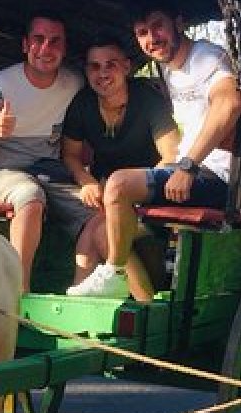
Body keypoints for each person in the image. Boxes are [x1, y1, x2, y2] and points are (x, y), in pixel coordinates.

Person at [66, 2, 241, 298]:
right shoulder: (168, 72)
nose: (152, 38)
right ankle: (130, 306)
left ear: (179, 23)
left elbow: (230, 104)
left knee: (118, 184)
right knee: (100, 229)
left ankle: (114, 274)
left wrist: (187, 166)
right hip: (189, 172)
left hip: (219, 178)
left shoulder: (208, 58)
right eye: (142, 32)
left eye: (158, 26)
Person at [0, 11, 89, 292]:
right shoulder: (1, 85)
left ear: (64, 48)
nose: (46, 48)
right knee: (30, 197)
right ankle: (19, 293)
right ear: (25, 45)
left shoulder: (75, 84)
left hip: (53, 171)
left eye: (55, 41)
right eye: (39, 39)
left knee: (98, 209)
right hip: (3, 171)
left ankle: (81, 292)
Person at [61, 34, 180, 301]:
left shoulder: (147, 100)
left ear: (126, 67)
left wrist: (134, 190)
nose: (102, 73)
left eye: (111, 64)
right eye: (94, 66)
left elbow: (171, 153)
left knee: (102, 231)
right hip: (106, 198)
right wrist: (87, 181)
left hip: (150, 200)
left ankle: (145, 305)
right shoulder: (83, 105)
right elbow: (70, 155)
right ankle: (80, 298)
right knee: (96, 225)